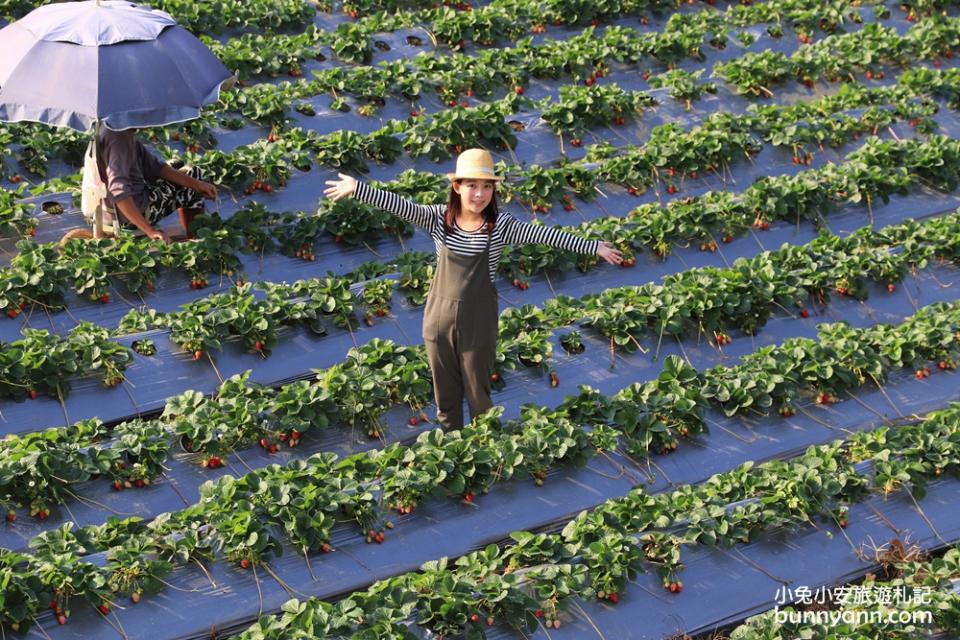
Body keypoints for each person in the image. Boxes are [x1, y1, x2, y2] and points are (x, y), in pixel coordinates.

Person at [324, 148, 623, 429]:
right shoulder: (439, 219)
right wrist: (358, 188)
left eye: (487, 187)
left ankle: (483, 447)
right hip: (438, 318)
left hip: (478, 320)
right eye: (472, 185)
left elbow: (544, 235)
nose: (479, 194)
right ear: (457, 187)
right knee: (445, 394)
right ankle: (454, 448)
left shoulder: (501, 225)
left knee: (478, 393)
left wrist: (592, 246)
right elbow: (404, 207)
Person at [95, 127, 218, 243]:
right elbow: (118, 192)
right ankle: (197, 236)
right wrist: (149, 230)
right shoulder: (119, 139)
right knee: (194, 173)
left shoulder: (113, 130)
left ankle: (195, 233)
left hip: (107, 211)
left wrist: (198, 185)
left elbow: (155, 168)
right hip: (131, 215)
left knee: (178, 165)